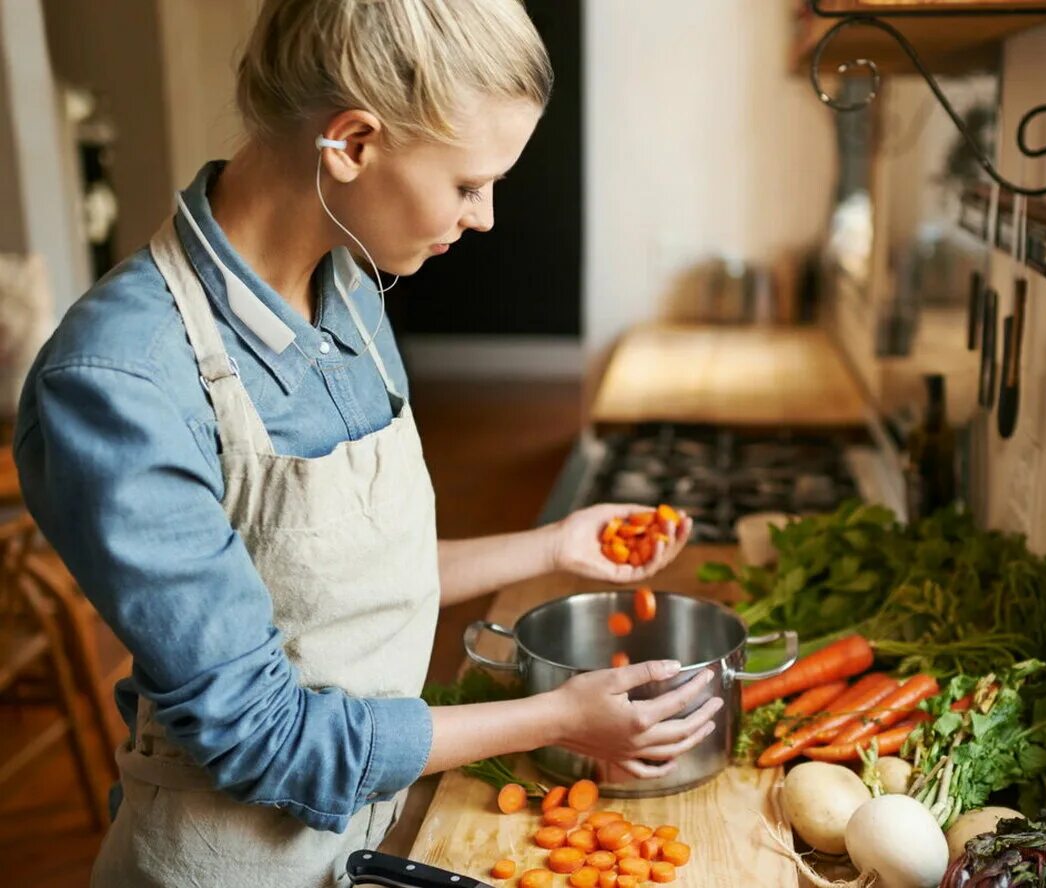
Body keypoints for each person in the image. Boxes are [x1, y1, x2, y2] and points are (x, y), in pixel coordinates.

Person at [13, 2, 720, 884]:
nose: (487, 216)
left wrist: (552, 546)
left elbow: (327, 578)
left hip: (377, 835)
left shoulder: (348, 287)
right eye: (468, 184)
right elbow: (264, 738)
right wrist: (559, 715)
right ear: (350, 143)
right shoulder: (120, 381)